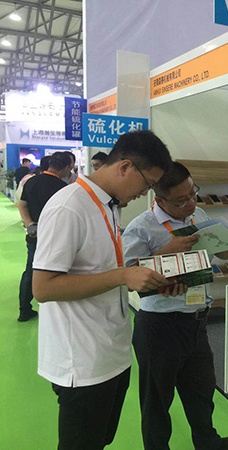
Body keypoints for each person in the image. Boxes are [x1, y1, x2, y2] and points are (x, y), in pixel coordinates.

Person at [32, 130, 176, 450]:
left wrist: (142, 276)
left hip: (112, 352)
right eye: (147, 184)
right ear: (125, 167)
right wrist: (122, 276)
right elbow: (43, 288)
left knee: (100, 440)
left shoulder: (109, 204)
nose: (146, 193)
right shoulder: (69, 206)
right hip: (82, 362)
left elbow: (100, 268)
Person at [122, 162, 228, 450]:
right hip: (160, 326)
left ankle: (207, 441)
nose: (190, 203)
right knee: (156, 400)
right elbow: (127, 277)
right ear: (160, 200)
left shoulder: (198, 215)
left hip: (197, 319)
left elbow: (219, 253)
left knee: (202, 390)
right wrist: (166, 253)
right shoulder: (141, 228)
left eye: (192, 194)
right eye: (180, 200)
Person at [16, 153, 71, 322]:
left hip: (34, 234)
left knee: (30, 271)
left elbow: (21, 204)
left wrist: (30, 224)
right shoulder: (63, 188)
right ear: (66, 168)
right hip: (55, 237)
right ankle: (54, 312)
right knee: (55, 273)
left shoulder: (31, 181)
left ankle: (24, 309)